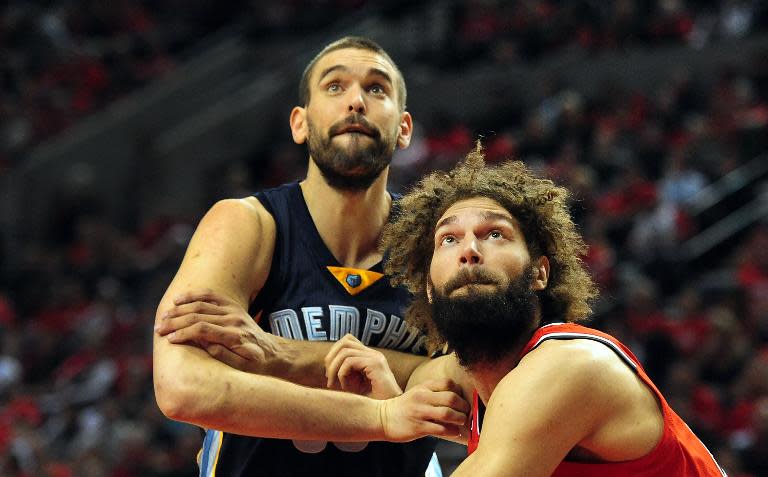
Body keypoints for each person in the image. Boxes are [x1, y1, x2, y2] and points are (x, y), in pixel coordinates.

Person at [153, 36, 465, 477]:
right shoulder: (248, 225)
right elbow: (181, 388)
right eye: (334, 87)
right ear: (300, 123)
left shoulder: (437, 243)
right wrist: (389, 408)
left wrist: (278, 353)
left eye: (377, 89)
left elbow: (474, 386)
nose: (355, 101)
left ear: (404, 129)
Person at [325, 145, 728, 476]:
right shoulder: (474, 379)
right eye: (448, 239)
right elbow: (372, 373)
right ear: (429, 288)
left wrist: (384, 424)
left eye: (494, 234)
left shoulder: (569, 364)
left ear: (539, 272)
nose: (469, 250)